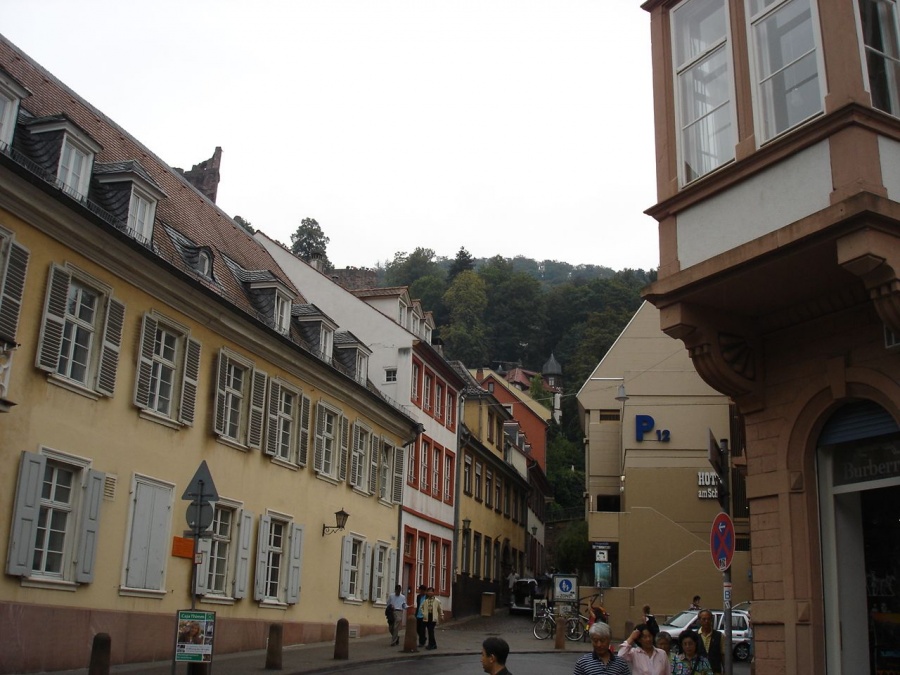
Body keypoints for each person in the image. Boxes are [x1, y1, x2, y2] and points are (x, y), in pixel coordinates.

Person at [696, 608, 725, 675]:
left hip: (715, 670)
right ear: (699, 620)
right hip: (699, 671)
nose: (707, 621)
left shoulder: (719, 635)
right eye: (704, 619)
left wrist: (725, 670)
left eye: (709, 619)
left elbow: (723, 654)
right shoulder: (695, 636)